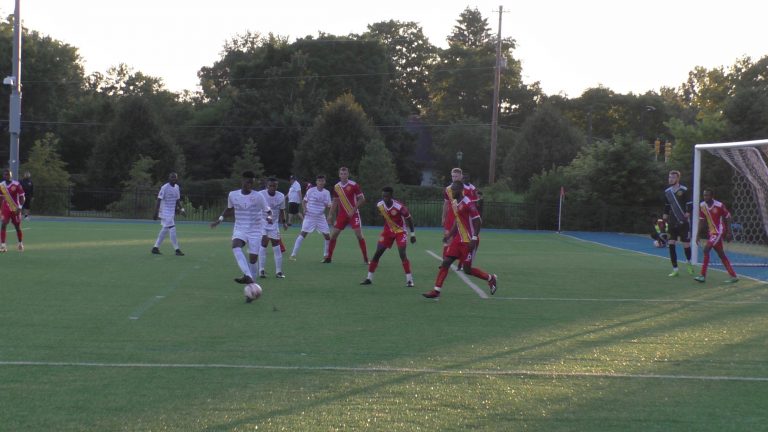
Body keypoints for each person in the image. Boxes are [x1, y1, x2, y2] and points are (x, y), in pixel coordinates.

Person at [423, 181, 497, 299]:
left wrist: (473, 239)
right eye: (451, 190)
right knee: (445, 262)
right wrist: (449, 235)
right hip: (458, 240)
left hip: (469, 241)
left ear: (461, 190)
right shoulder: (455, 203)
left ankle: (490, 278)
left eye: (454, 190)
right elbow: (457, 221)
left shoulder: (468, 203)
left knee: (467, 270)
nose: (452, 192)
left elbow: (478, 221)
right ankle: (436, 290)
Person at [211, 171, 272, 290]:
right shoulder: (233, 195)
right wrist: (220, 219)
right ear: (242, 180)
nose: (248, 184)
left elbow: (268, 211)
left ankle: (252, 286)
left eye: (251, 182)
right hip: (240, 228)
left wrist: (269, 218)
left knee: (253, 260)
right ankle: (248, 276)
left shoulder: (258, 196)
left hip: (255, 230)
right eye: (247, 181)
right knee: (235, 246)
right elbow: (229, 209)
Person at [360, 186, 416, 287]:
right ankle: (369, 278)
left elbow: (409, 219)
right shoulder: (379, 205)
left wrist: (412, 234)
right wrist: (387, 228)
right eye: (383, 196)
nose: (384, 198)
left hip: (400, 231)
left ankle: (409, 280)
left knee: (402, 253)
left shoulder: (400, 207)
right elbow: (385, 217)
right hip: (387, 231)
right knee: (377, 253)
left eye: (386, 196)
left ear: (391, 196)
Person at [325, 167, 369, 264]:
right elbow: (335, 201)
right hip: (342, 215)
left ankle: (366, 259)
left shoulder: (354, 185)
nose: (343, 175)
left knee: (359, 235)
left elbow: (362, 199)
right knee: (334, 235)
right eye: (341, 174)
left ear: (348, 174)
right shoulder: (336, 187)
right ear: (339, 175)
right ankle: (329, 258)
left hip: (354, 214)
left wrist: (353, 210)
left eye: (345, 174)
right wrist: (330, 215)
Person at [694, 188, 739, 283]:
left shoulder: (719, 205)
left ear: (712, 196)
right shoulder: (702, 205)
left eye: (707, 195)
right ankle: (734, 276)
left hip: (719, 231)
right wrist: (697, 235)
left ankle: (702, 275)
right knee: (721, 254)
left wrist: (729, 232)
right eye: (704, 195)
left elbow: (728, 217)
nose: (705, 197)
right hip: (712, 232)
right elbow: (701, 221)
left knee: (706, 249)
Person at [290, 175, 332, 260]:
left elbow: (329, 205)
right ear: (316, 182)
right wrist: (305, 209)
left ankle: (326, 255)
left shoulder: (326, 192)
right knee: (303, 233)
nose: (321, 182)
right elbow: (304, 201)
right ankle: (293, 254)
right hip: (310, 216)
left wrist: (329, 206)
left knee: (327, 236)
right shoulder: (310, 191)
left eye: (322, 181)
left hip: (320, 217)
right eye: (319, 181)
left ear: (325, 182)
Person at [663, 170, 694, 277]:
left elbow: (689, 203)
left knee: (686, 244)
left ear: (677, 179)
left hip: (683, 222)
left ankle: (689, 262)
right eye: (669, 177)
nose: (670, 179)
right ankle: (675, 269)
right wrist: (665, 214)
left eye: (672, 177)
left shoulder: (684, 190)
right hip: (672, 222)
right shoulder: (667, 191)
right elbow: (667, 205)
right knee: (671, 243)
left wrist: (688, 212)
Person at [258, 177, 288, 278]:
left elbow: (282, 210)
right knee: (264, 243)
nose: (272, 187)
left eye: (274, 185)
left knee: (276, 246)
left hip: (274, 224)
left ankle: (278, 272)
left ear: (277, 186)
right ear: (267, 186)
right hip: (262, 223)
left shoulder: (281, 196)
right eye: (270, 185)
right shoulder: (261, 194)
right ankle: (261, 270)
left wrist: (284, 222)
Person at [152, 172, 185, 256]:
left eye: (175, 178)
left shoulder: (177, 187)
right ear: (169, 178)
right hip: (164, 211)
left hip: (171, 212)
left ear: (177, 179)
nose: (173, 179)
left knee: (165, 229)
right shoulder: (164, 187)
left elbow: (177, 200)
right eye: (172, 178)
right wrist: (156, 212)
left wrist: (182, 209)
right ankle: (177, 250)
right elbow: (159, 200)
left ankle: (155, 248)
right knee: (172, 228)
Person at [0, 168, 25, 252]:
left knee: (17, 227)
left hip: (15, 209)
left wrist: (20, 207)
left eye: (8, 174)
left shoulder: (16, 184)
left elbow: (22, 197)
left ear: (11, 175)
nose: (6, 176)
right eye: (5, 174)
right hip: (5, 208)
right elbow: (0, 198)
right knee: (3, 224)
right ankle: (3, 246)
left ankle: (20, 243)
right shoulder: (1, 185)